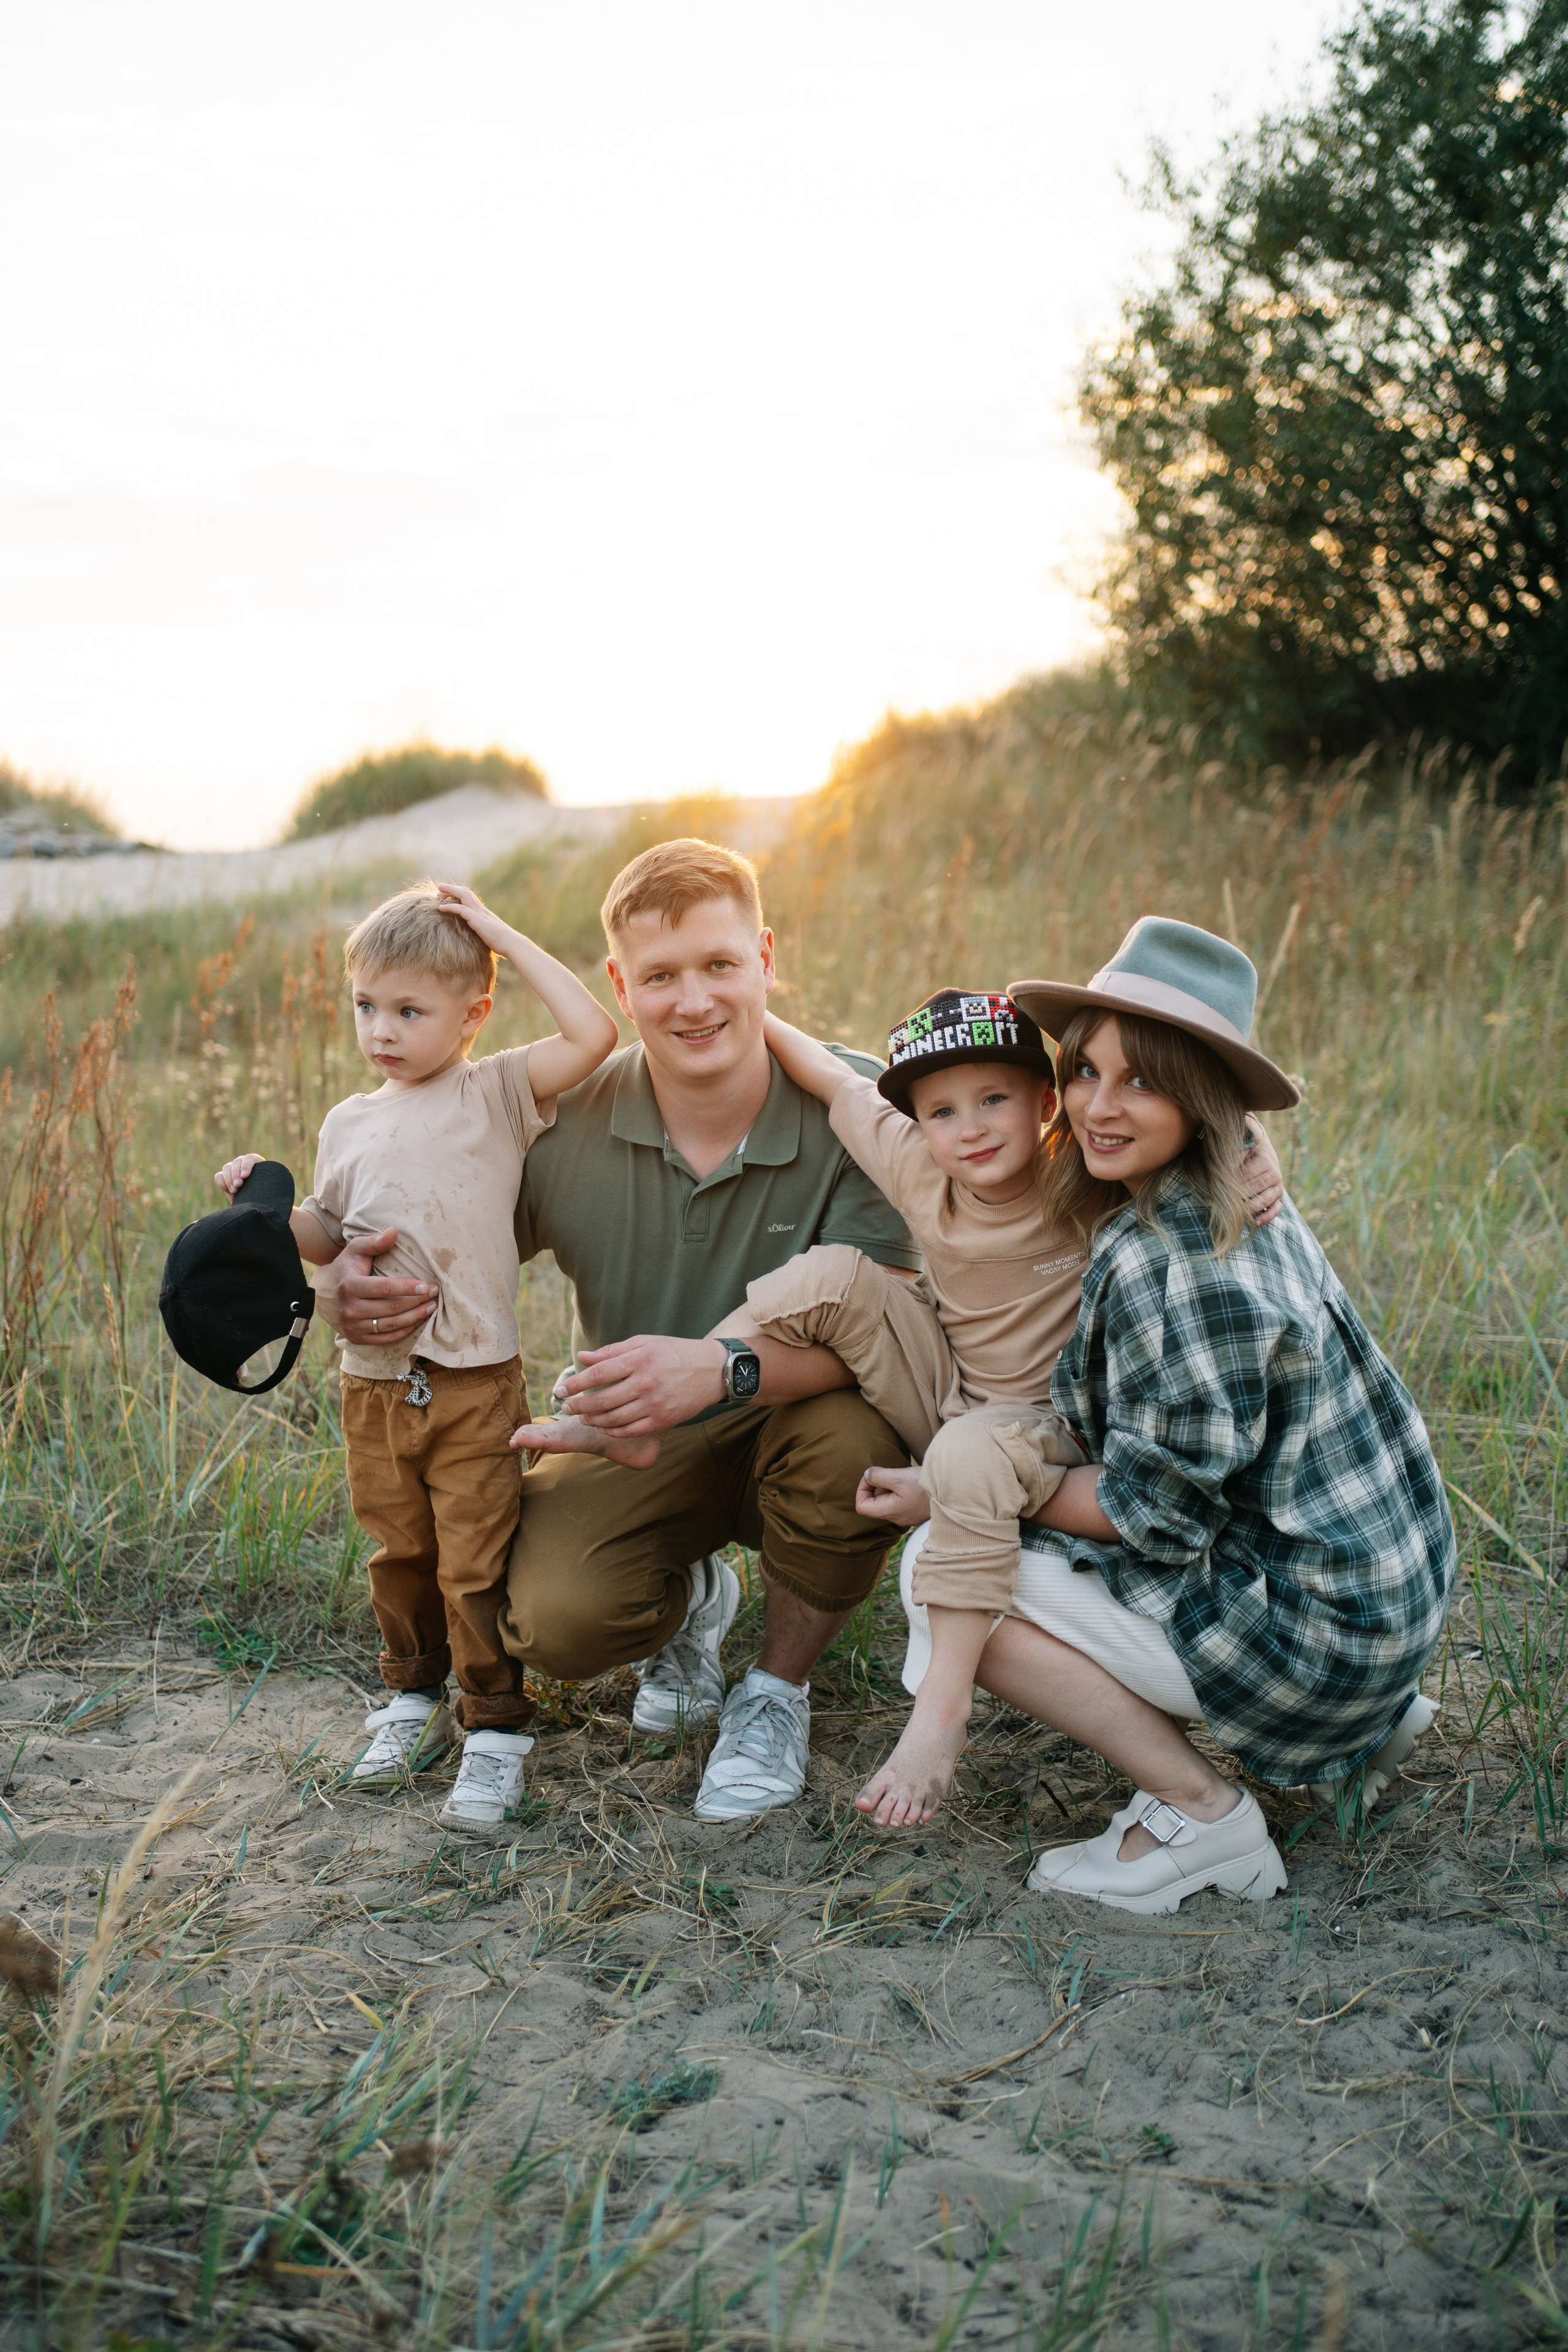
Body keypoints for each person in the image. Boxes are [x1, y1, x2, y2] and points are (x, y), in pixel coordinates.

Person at [307, 839, 922, 1824]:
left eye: (721, 965)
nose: (695, 1002)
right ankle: (689, 1602)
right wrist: (340, 1281)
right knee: (546, 1618)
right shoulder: (561, 1116)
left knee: (851, 1456)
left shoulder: (861, 1107)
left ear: (765, 957)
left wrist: (718, 1371)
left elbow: (890, 1330)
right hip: (633, 1433)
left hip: (803, 1410)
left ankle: (775, 1693)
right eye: (661, 976)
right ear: (619, 986)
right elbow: (428, 1240)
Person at [875, 916, 1455, 1915]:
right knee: (976, 1526)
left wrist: (969, 1490)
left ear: (1197, 1096)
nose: (1097, 1108)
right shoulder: (1234, 1182)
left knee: (938, 1568)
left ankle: (1201, 1815)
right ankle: (1372, 1728)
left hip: (1324, 1637)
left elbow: (1159, 1519)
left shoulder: (1173, 1264)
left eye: (1140, 1082)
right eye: (1087, 1071)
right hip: (1385, 1596)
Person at [214, 879, 618, 1831]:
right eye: (366, 1006)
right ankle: (412, 1697)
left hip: (476, 1378)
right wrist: (264, 1207)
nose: (382, 1030)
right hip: (374, 1384)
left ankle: (495, 1726)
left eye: (409, 1010)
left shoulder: (497, 1091)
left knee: (473, 1560)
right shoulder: (349, 1120)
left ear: (473, 1015)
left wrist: (501, 934)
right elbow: (325, 1228)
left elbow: (594, 1035)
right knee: (399, 1550)